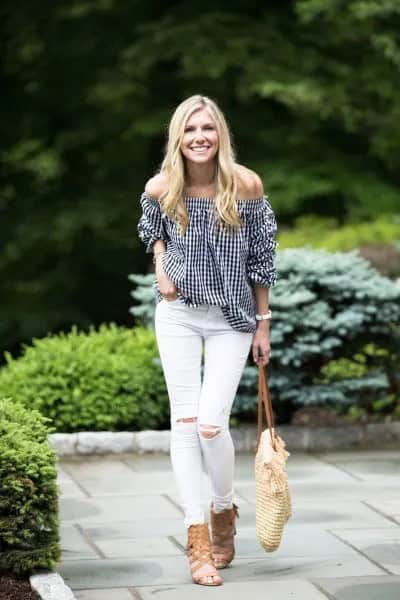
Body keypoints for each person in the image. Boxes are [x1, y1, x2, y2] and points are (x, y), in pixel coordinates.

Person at [137, 94, 278, 586]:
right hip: (176, 315)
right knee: (185, 422)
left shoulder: (244, 185)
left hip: (232, 319)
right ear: (178, 137)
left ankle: (223, 510)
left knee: (212, 426)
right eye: (190, 129)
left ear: (221, 134)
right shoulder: (162, 187)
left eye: (208, 128)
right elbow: (150, 230)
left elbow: (263, 256)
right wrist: (162, 271)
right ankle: (197, 541)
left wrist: (263, 321)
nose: (199, 137)